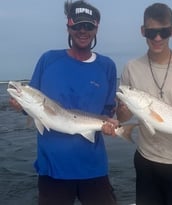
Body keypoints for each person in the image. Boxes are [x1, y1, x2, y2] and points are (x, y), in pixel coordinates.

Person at [9, 1, 118, 204]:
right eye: (77, 26)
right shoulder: (48, 60)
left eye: (88, 26)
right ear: (68, 26)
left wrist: (111, 126)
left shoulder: (107, 67)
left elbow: (107, 112)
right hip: (52, 168)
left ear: (96, 28)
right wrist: (21, 106)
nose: (82, 31)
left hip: (93, 167)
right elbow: (35, 109)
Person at [117, 3, 172, 205]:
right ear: (143, 31)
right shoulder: (131, 68)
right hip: (146, 161)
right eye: (152, 32)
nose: (157, 38)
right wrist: (122, 111)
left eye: (163, 32)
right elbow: (124, 118)